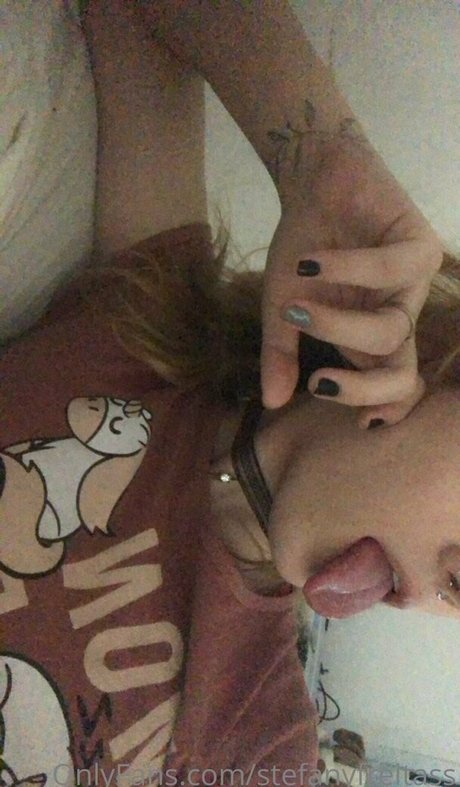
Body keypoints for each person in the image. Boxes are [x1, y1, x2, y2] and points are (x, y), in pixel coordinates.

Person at [0, 1, 459, 785]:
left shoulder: (258, 736)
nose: (444, 597)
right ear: (446, 365)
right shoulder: (152, 332)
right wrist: (319, 155)